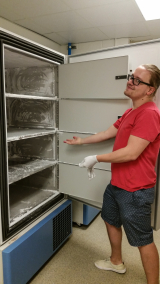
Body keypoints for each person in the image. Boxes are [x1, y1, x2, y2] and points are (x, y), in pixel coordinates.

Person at [64, 64, 160, 284]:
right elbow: (109, 133)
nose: (130, 81)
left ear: (150, 90)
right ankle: (116, 262)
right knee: (110, 220)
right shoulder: (131, 111)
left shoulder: (150, 114)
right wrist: (82, 142)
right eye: (131, 77)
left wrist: (96, 158)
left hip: (136, 190)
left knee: (143, 239)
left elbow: (132, 153)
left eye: (137, 80)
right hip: (117, 184)